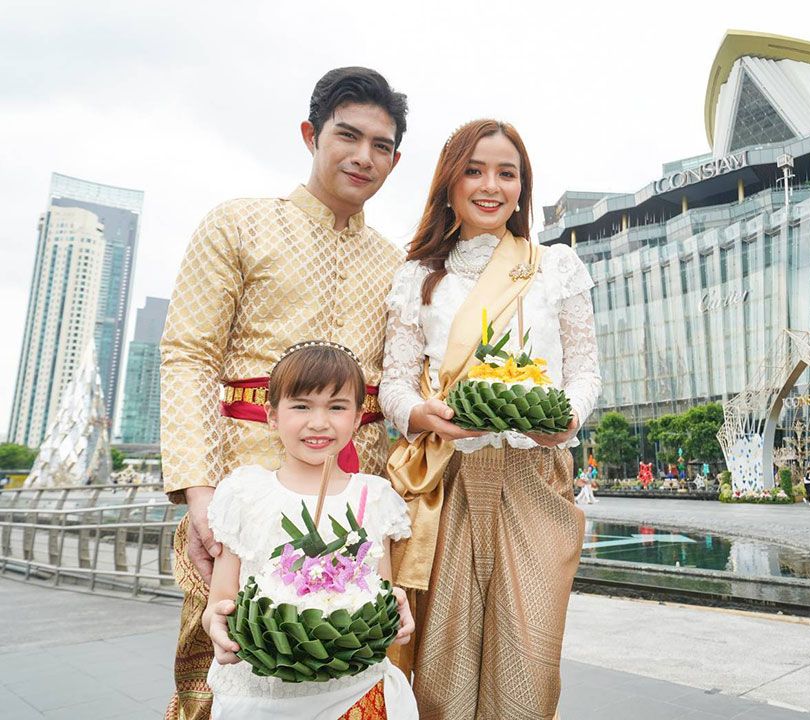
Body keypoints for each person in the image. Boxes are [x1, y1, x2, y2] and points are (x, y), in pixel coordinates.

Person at [159, 67, 408, 720]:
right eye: (347, 136)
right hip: (243, 493)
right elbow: (188, 354)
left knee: (349, 668)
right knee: (226, 660)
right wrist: (199, 490)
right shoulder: (237, 225)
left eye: (381, 145)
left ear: (396, 158)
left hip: (354, 503)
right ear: (310, 135)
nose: (363, 156)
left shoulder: (399, 264)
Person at [380, 119, 601, 719]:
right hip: (446, 480)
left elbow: (585, 372)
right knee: (444, 666)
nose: (490, 185)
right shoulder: (418, 276)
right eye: (474, 170)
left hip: (535, 474)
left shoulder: (555, 266)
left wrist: (565, 420)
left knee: (529, 663)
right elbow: (393, 383)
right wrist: (419, 414)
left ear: (523, 188)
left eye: (507, 173)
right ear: (449, 184)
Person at [202, 342, 418, 719]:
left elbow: (381, 592)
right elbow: (219, 603)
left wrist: (395, 611)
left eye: (337, 407)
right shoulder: (244, 493)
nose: (319, 423)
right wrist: (219, 629)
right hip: (259, 696)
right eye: (301, 406)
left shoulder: (374, 496)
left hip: (354, 692)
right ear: (271, 416)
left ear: (357, 418)